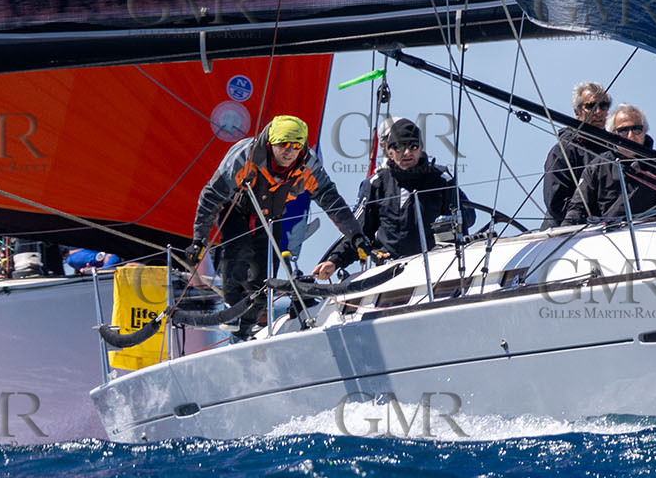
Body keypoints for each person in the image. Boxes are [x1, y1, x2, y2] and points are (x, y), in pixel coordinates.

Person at [188, 115, 364, 338]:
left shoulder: (308, 163)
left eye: (295, 146)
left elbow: (331, 200)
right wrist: (198, 240)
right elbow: (211, 197)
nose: (289, 152)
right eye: (283, 145)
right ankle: (232, 314)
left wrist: (355, 236)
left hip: (271, 216)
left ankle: (246, 332)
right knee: (240, 257)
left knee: (264, 280)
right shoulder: (246, 157)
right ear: (271, 144)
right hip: (236, 209)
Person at [326, 117, 474, 264]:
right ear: (389, 152)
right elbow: (357, 230)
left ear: (421, 148)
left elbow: (468, 215)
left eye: (413, 146)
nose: (407, 152)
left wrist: (452, 221)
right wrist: (335, 260)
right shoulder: (376, 184)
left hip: (438, 264)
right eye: (399, 147)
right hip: (391, 270)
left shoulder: (442, 179)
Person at [561, 105, 656, 223]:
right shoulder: (597, 167)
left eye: (637, 129)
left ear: (645, 132)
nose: (631, 136)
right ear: (612, 134)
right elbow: (577, 209)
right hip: (608, 235)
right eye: (623, 131)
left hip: (652, 233)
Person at [541, 81, 611, 227]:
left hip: (610, 228)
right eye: (591, 106)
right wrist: (596, 218)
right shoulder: (563, 151)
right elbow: (556, 202)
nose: (598, 112)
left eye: (603, 106)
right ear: (577, 112)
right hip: (567, 234)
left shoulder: (616, 150)